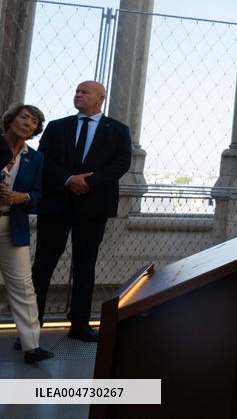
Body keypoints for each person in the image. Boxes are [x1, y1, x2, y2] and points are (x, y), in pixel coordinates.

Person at [32, 81, 131, 342]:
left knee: (85, 265)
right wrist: (68, 179)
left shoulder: (118, 130)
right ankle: (31, 325)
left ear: (100, 98)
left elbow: (122, 163)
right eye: (76, 91)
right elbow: (43, 159)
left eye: (84, 92)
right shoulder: (57, 126)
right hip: (56, 204)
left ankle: (79, 324)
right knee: (43, 265)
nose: (78, 95)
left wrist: (89, 182)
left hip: (93, 205)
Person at [0, 104, 53, 363]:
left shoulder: (36, 158)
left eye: (33, 121)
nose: (28, 123)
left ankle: (31, 347)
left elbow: (39, 194)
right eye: (24, 117)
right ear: (11, 119)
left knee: (23, 286)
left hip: (13, 225)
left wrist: (23, 197)